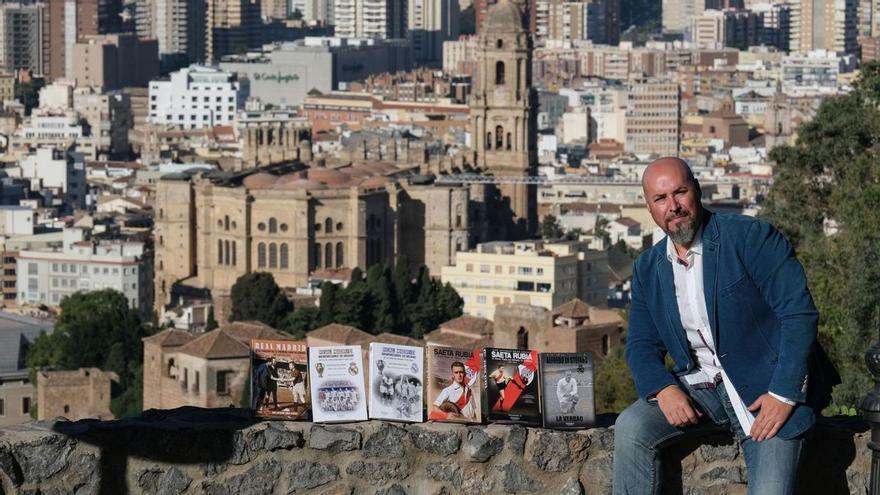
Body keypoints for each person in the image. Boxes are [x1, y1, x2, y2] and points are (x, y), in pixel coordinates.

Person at [612, 157, 839, 494]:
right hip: (703, 387)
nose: (673, 207)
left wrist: (784, 393)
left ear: (697, 190)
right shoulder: (649, 267)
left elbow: (798, 314)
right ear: (649, 206)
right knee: (631, 426)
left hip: (766, 391)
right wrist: (663, 388)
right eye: (661, 199)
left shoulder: (750, 238)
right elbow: (641, 344)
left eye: (680, 193)